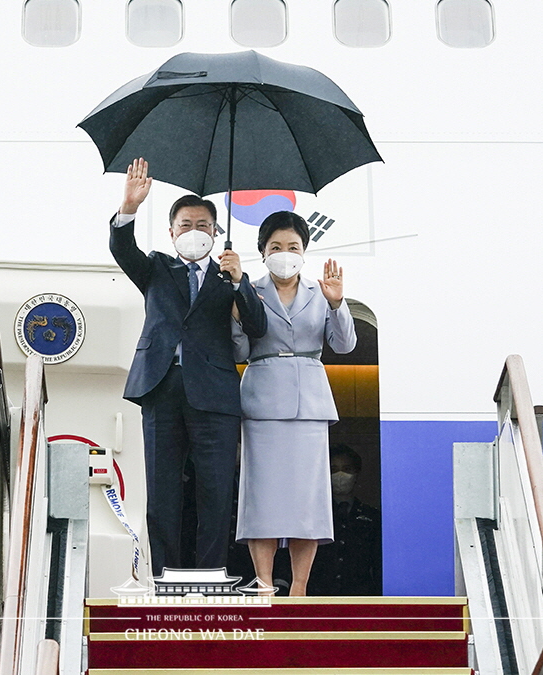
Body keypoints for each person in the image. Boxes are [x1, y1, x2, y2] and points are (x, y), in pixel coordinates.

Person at [110, 158, 268, 576]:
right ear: (171, 231)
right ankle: (163, 576)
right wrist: (128, 207)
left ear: (215, 233)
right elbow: (121, 249)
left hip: (214, 395)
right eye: (184, 224)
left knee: (215, 491)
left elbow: (257, 326)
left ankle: (210, 575)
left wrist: (239, 282)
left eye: (202, 224)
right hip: (161, 387)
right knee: (161, 492)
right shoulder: (157, 267)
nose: (193, 230)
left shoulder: (228, 273)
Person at [232, 210, 357, 596]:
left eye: (293, 247)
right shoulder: (248, 292)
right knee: (262, 497)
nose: (284, 253)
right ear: (262, 251)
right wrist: (235, 316)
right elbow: (237, 350)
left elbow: (344, 344)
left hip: (310, 402)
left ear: (304, 251)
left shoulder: (320, 293)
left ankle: (299, 587)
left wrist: (337, 304)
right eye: (276, 247)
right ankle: (265, 585)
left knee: (308, 501)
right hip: (262, 399)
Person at [308, 444, 383, 596]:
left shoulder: (372, 516)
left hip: (360, 596)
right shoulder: (312, 514)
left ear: (357, 474)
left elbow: (379, 563)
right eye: (333, 470)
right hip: (318, 594)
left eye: (347, 469)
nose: (340, 475)